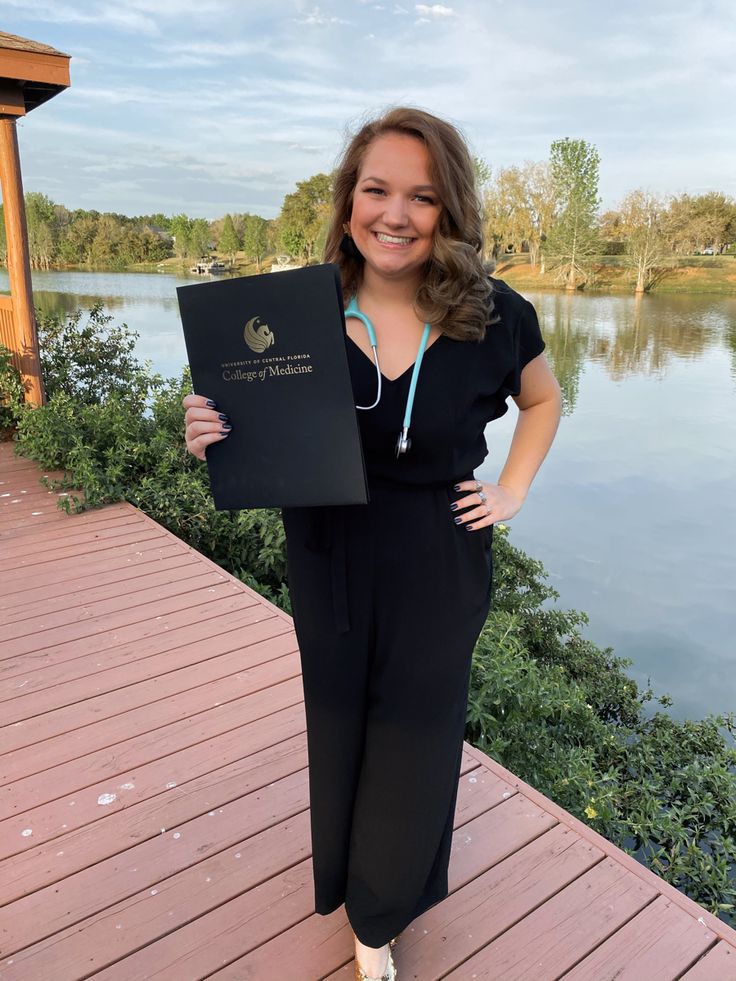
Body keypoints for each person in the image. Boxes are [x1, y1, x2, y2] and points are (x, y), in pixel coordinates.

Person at [184, 107, 561, 981]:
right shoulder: (294, 308)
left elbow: (543, 402)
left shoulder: (495, 315)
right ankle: (347, 874)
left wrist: (512, 490)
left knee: (417, 737)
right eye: (377, 189)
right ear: (348, 198)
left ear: (450, 209)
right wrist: (206, 430)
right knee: (343, 724)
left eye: (422, 197)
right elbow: (245, 421)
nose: (395, 214)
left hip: (438, 553)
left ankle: (378, 914)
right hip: (328, 551)